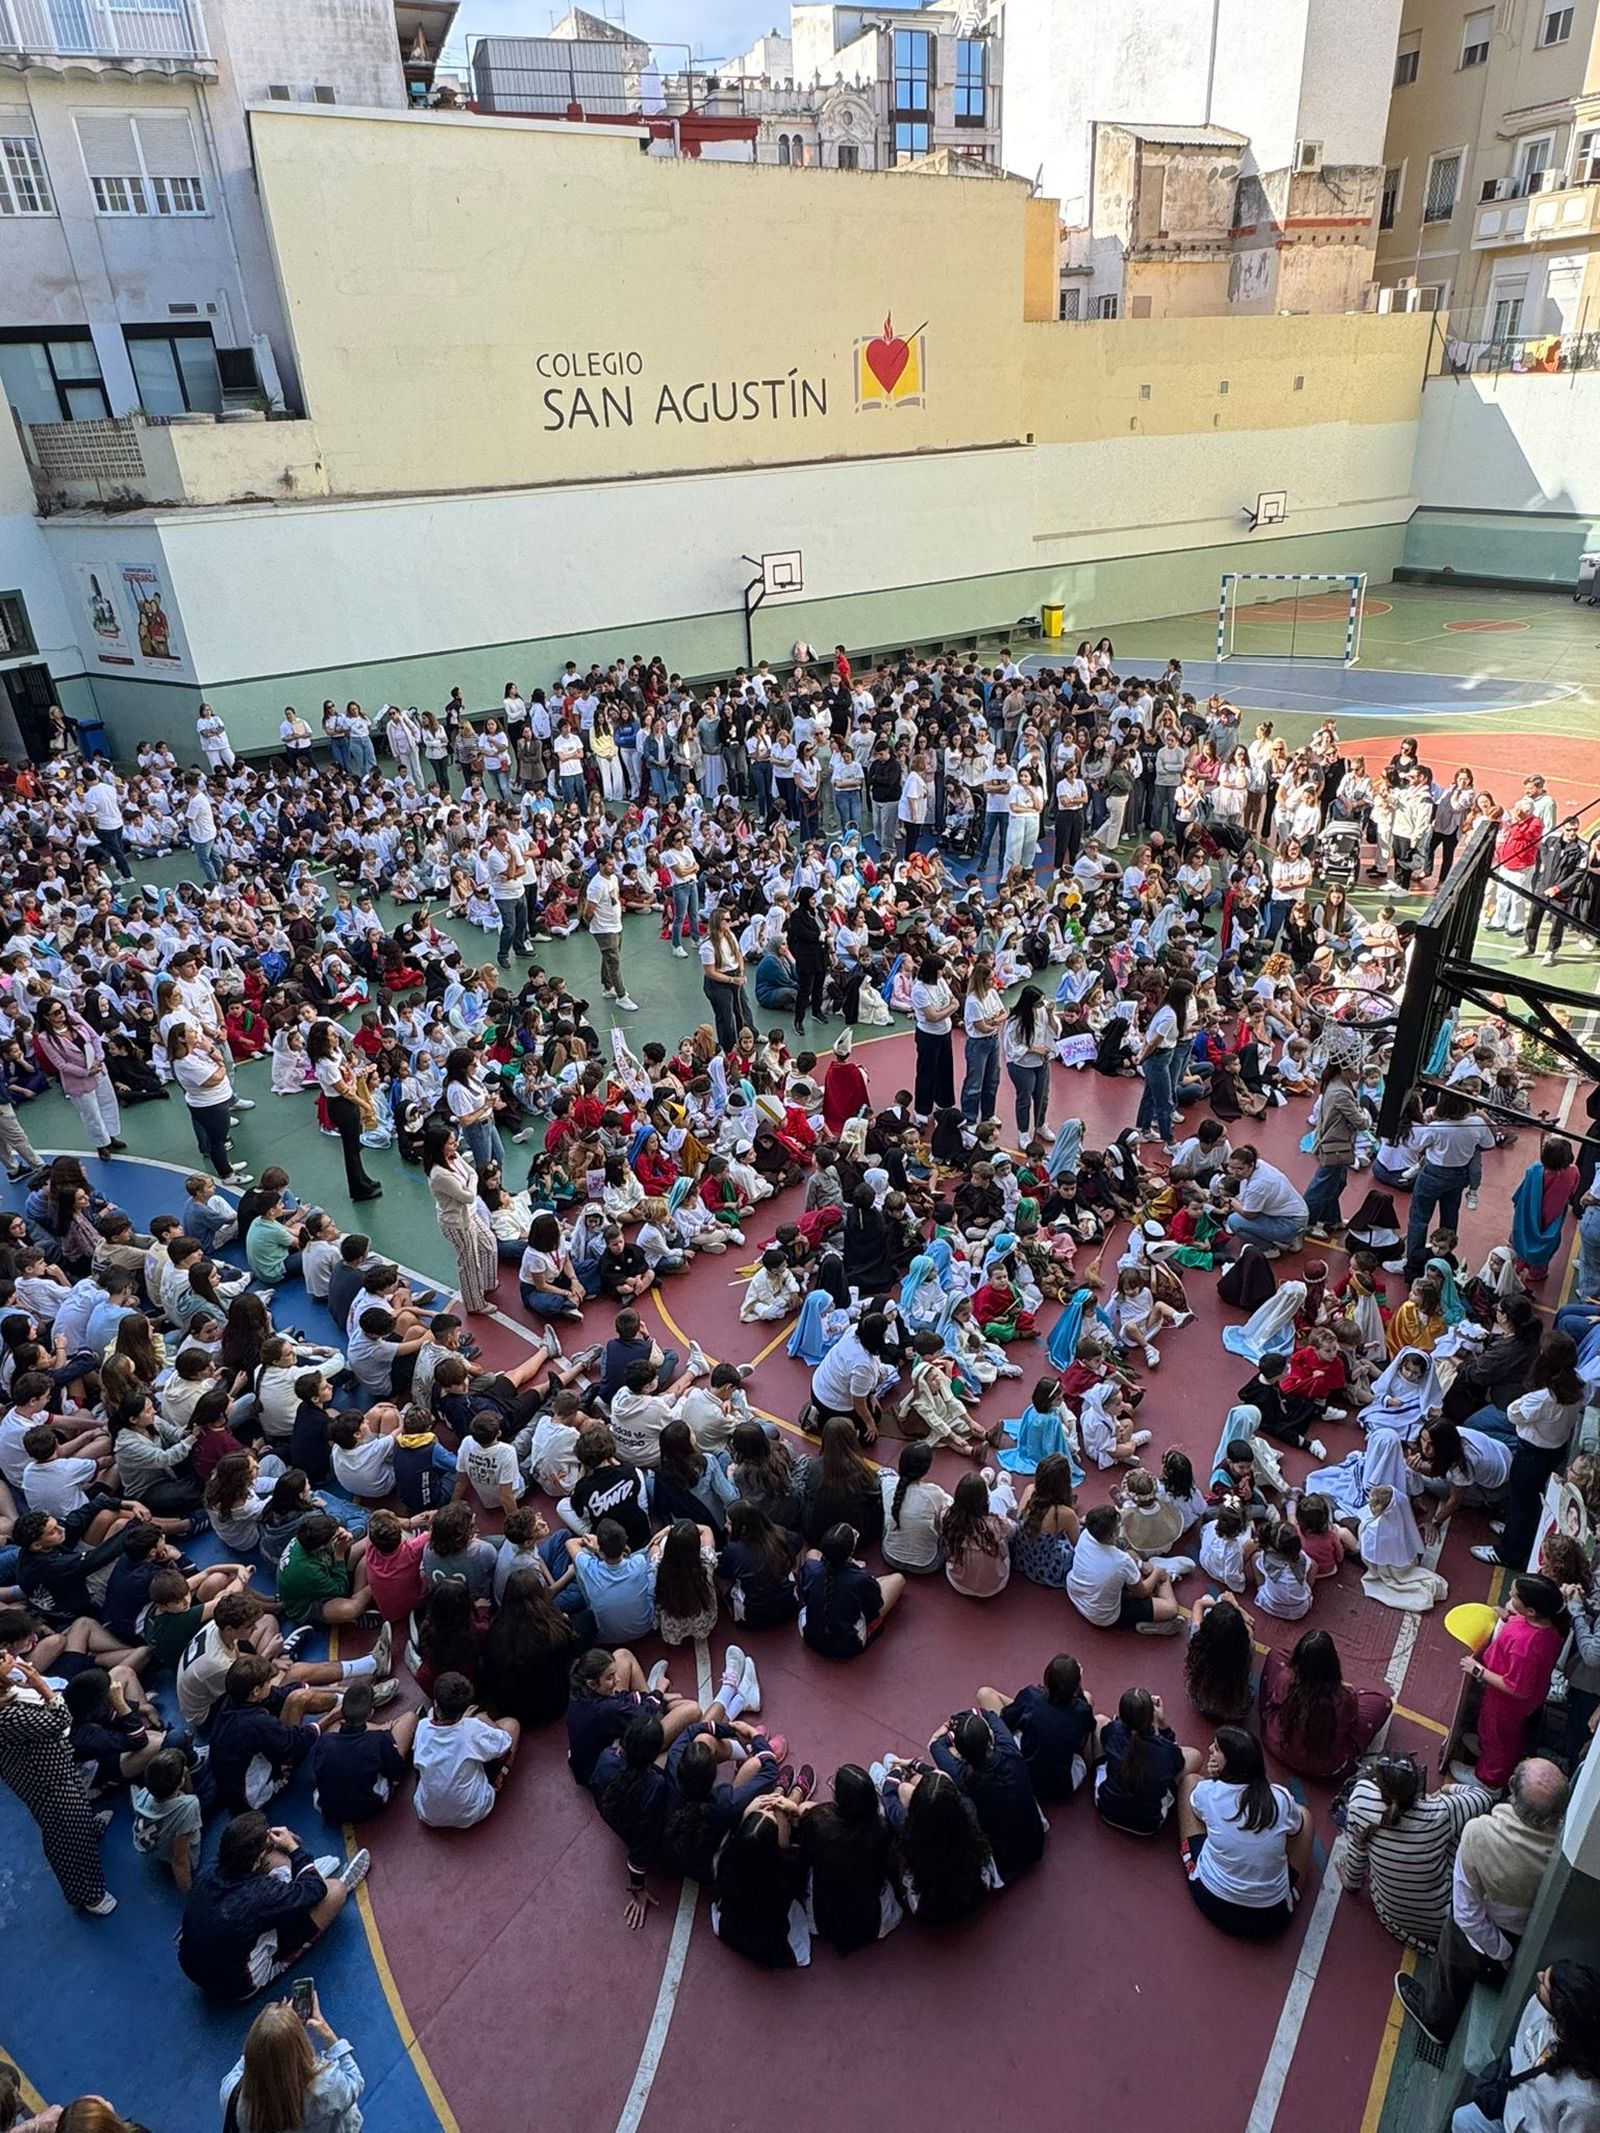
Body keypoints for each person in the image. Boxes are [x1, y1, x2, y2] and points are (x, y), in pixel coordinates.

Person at [1396, 1758, 1570, 2046]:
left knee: (1454, 1940)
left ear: (1512, 1789)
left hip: (1490, 1937)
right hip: (1530, 1932)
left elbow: (1467, 1914)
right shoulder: (1561, 1849)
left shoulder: (1480, 1834)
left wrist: (1503, 1953)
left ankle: (1435, 2020)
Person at [178, 1811, 370, 2000]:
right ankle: (284, 1951)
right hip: (238, 1986)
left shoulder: (208, 1873)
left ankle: (299, 1881)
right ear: (257, 1857)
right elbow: (317, 1890)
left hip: (198, 1970)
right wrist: (294, 1849)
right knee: (335, 1891)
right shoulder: (260, 1894)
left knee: (276, 1861)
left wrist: (259, 1839)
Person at [1333, 1752, 1495, 1949]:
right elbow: (1483, 1798)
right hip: (1446, 1919)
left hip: (1394, 1917)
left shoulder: (1360, 1799)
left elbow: (1357, 1856)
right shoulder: (1439, 1812)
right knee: (1471, 1831)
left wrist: (1350, 1880)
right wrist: (1446, 1788)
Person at [0, 1656, 115, 1914]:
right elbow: (61, 1720)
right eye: (2, 1660)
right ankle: (88, 1894)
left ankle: (89, 1828)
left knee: (78, 1805)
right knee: (62, 1830)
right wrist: (41, 1685)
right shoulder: (7, 1717)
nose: (9, 1658)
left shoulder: (8, 1697)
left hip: (53, 1762)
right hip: (42, 1776)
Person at [1177, 1726, 1313, 1940]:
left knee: (1190, 1783)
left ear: (1229, 1762)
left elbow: (1197, 1808)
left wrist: (1215, 1779)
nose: (1210, 1748)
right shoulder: (1280, 1798)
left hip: (1212, 1900)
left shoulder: (1210, 1793)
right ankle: (1292, 1889)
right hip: (1271, 1917)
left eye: (1217, 1748)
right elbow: (1296, 1831)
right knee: (1305, 1817)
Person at [1447, 1963, 1600, 2133]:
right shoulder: (1538, 2007)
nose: (1540, 1975)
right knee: (1463, 2120)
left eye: (1545, 1985)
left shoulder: (1584, 2100)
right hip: (1511, 2108)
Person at [1257, 1627, 1393, 1781]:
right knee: (1381, 1702)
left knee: (1276, 1655)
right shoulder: (1343, 1697)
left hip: (1277, 1746)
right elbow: (1351, 1724)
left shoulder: (1286, 1680)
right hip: (1327, 1767)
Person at [219, 1992, 365, 2133]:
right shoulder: (327, 2087)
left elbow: (248, 2060)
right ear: (300, 2046)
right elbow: (355, 2080)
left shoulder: (232, 2094)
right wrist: (327, 2033)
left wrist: (269, 2038)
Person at [423, 1120, 497, 1317]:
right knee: (469, 1262)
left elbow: (472, 1173)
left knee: (489, 1244)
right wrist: (470, 1185)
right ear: (440, 1147)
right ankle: (475, 1303)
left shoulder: (453, 1158)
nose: (455, 1145)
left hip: (470, 1213)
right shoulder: (439, 1174)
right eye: (451, 1142)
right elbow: (468, 1196)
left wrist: (469, 1184)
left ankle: (487, 1284)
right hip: (458, 1222)